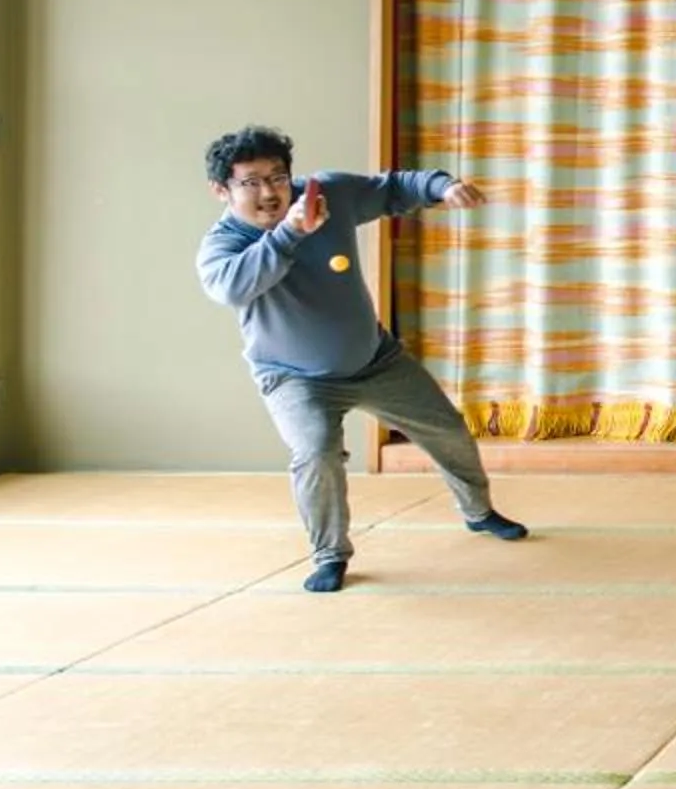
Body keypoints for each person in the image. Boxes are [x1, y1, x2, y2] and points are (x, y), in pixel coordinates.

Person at [198, 126, 527, 591]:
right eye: (251, 182)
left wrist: (442, 186)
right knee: (315, 453)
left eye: (278, 176)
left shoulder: (326, 194)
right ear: (221, 190)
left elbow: (393, 188)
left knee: (449, 430)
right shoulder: (222, 246)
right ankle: (330, 554)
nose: (270, 192)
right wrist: (291, 233)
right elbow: (234, 286)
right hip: (293, 379)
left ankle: (479, 512)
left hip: (376, 361)